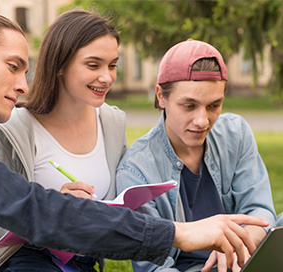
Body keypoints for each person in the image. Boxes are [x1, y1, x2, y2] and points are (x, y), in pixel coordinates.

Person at [0, 10, 268, 272]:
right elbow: (26, 208)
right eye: (13, 67)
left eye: (25, 70)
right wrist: (179, 233)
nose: (22, 85)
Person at [0, 9, 126, 272]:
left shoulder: (113, 122)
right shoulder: (13, 129)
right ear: (60, 65)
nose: (107, 77)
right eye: (93, 65)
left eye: (112, 65)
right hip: (23, 262)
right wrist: (50, 207)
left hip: (82, 263)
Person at [116, 39, 277, 272]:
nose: (203, 121)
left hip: (244, 259)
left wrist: (231, 247)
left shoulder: (236, 133)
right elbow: (152, 267)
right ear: (161, 96)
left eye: (214, 105)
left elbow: (261, 212)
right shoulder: (136, 170)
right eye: (189, 106)